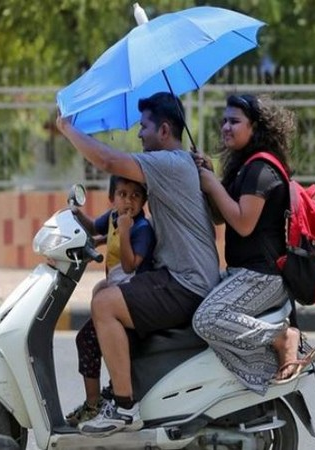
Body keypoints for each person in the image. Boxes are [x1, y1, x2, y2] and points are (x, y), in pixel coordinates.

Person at [56, 92, 220, 436]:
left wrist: (67, 128)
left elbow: (109, 161)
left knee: (105, 304)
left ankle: (124, 407)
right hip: (181, 278)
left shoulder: (169, 163)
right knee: (106, 289)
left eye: (143, 126)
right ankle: (121, 392)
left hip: (185, 283)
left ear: (163, 129)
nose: (139, 134)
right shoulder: (181, 162)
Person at [192, 94, 315, 396]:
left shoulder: (261, 170)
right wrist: (211, 178)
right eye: (224, 120)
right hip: (242, 273)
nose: (225, 127)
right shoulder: (243, 167)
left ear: (256, 127)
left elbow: (243, 222)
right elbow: (221, 217)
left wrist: (211, 184)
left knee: (207, 320)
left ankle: (282, 339)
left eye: (234, 121)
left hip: (262, 276)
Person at [65, 175, 155, 426]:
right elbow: (95, 226)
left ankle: (94, 405)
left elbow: (129, 266)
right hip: (118, 294)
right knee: (98, 291)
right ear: (112, 198)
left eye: (135, 195)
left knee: (86, 339)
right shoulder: (114, 217)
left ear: (144, 201)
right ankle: (104, 394)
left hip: (133, 300)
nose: (128, 200)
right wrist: (75, 212)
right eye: (122, 194)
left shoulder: (141, 229)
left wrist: (124, 233)